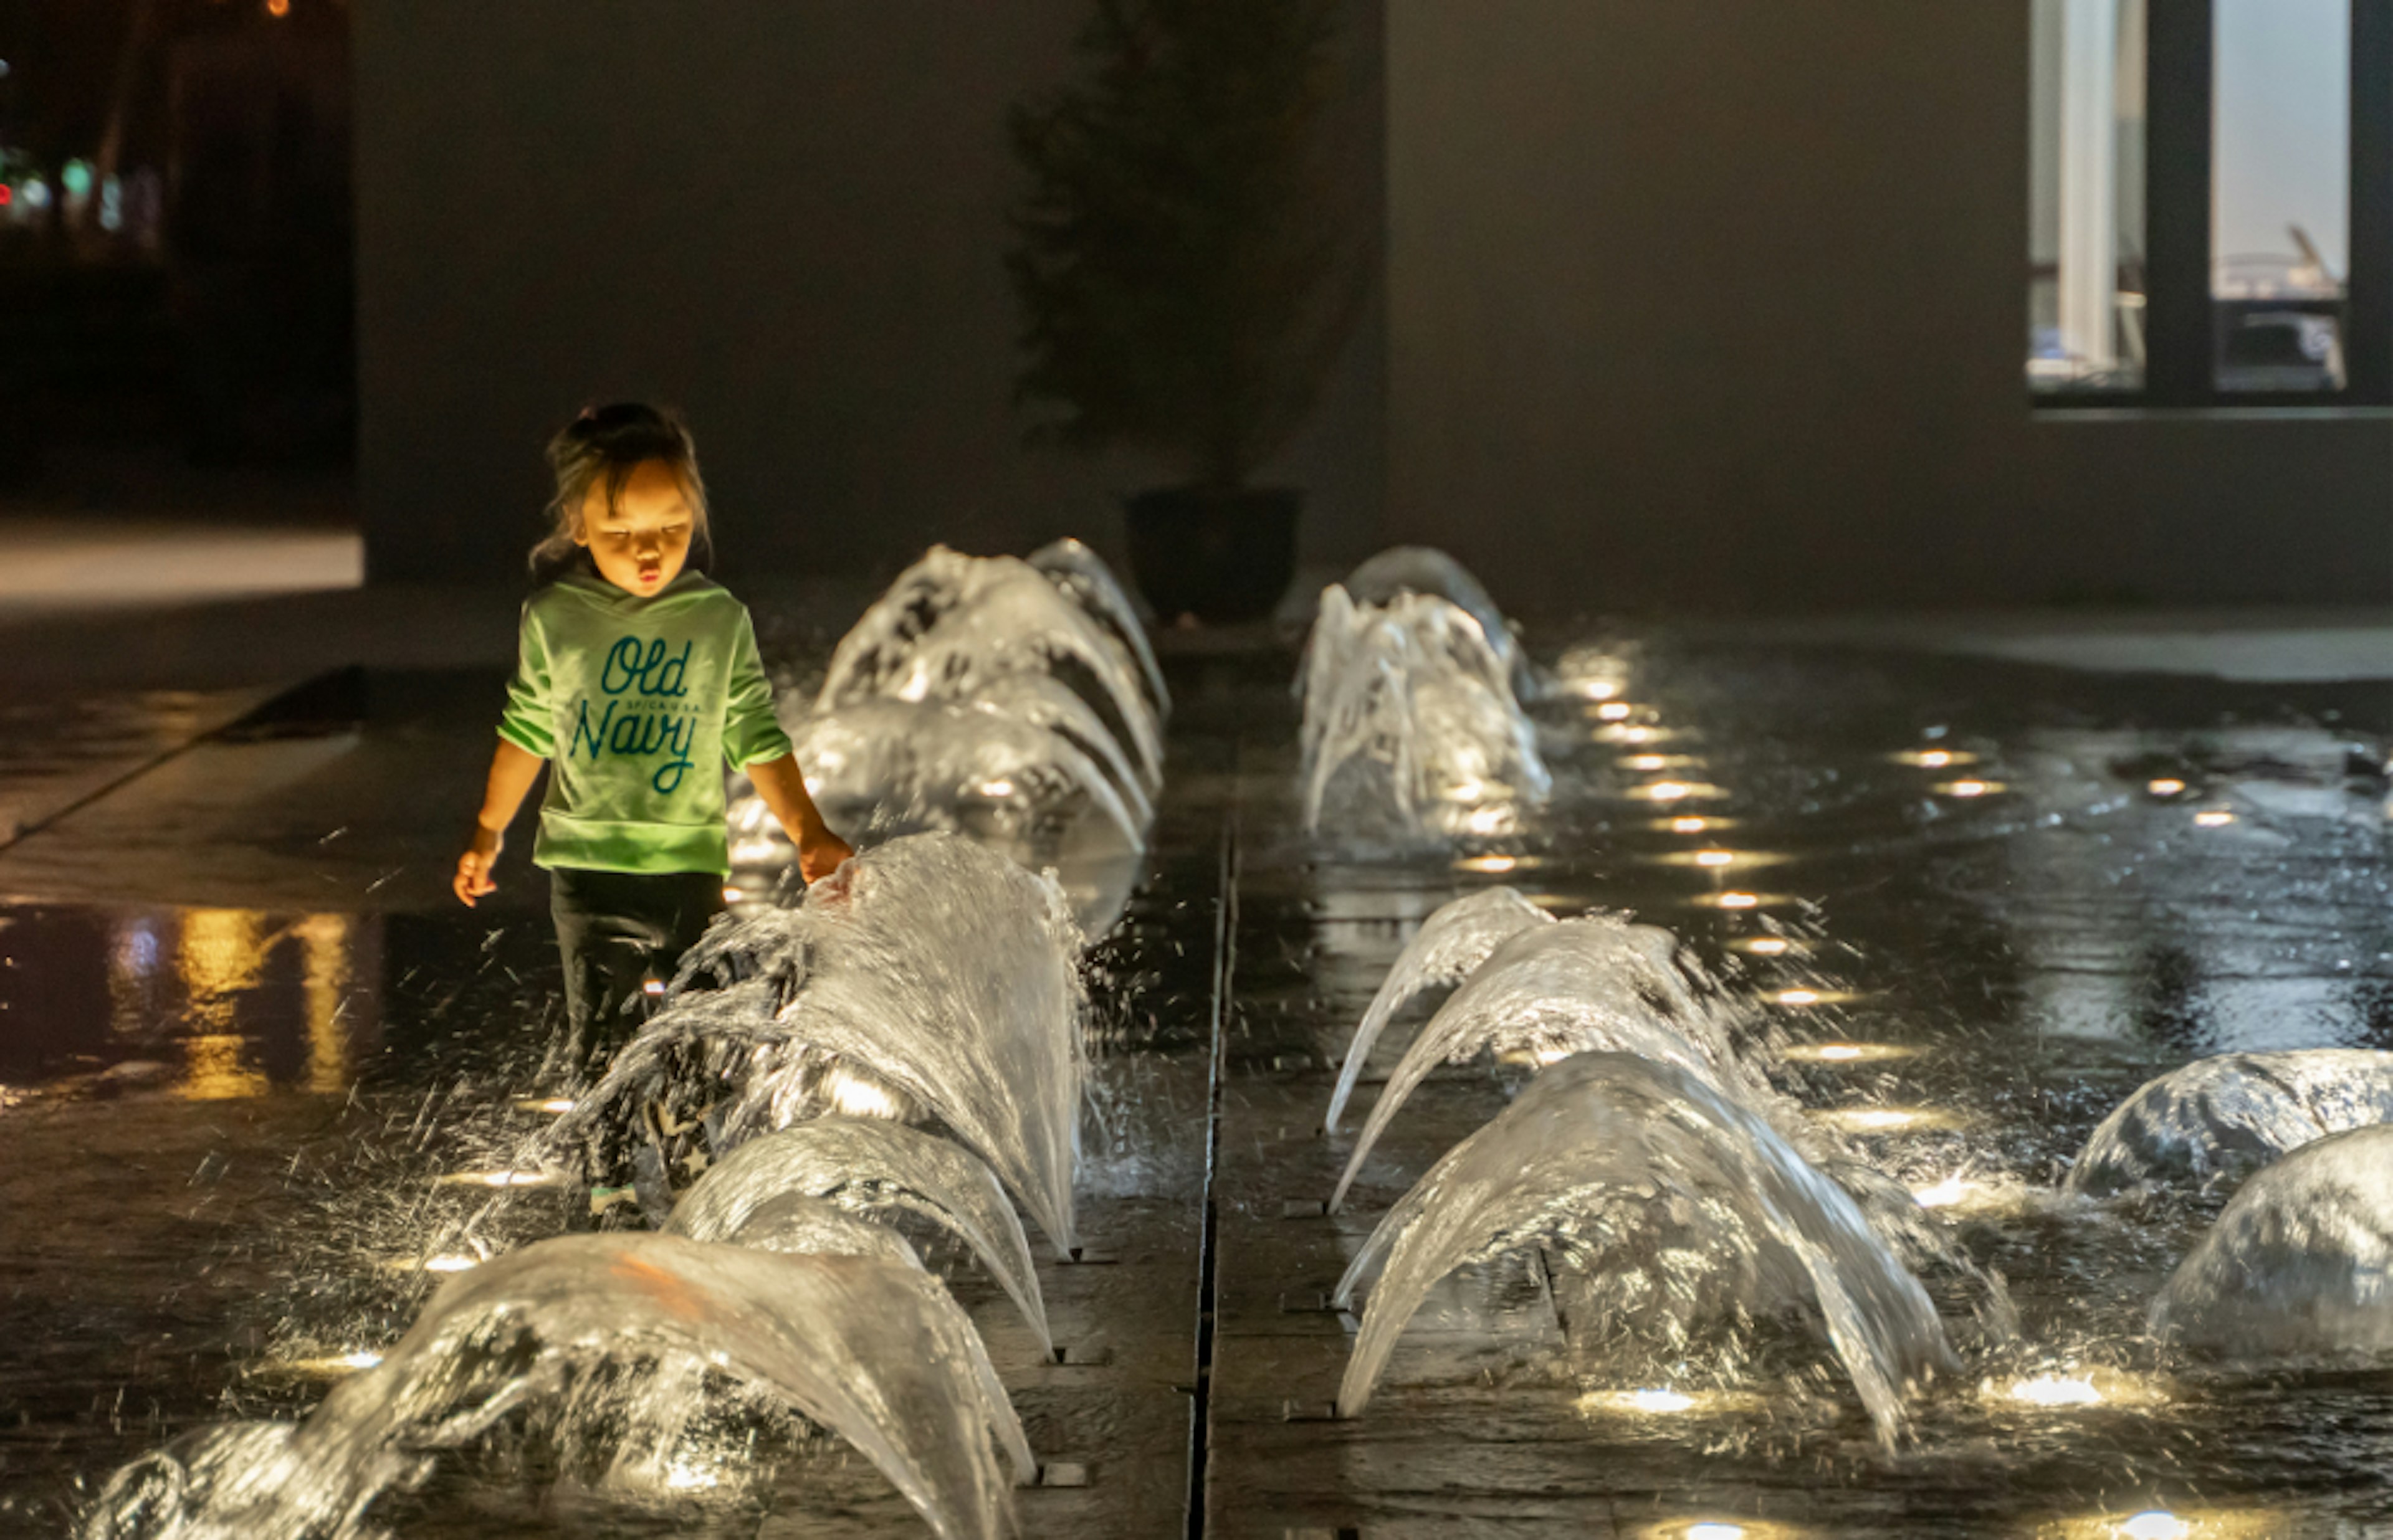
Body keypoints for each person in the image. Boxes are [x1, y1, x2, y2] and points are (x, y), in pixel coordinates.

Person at [453, 402, 852, 1082]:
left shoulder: (717, 620)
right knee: (602, 1037)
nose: (649, 549)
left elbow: (753, 731)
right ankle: (608, 1185)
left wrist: (809, 832)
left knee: (701, 1032)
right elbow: (527, 730)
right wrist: (489, 831)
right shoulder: (556, 619)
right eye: (622, 530)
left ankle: (691, 1161)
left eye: (671, 527)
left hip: (689, 867)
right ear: (579, 525)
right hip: (587, 868)